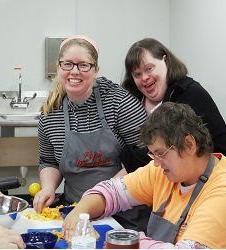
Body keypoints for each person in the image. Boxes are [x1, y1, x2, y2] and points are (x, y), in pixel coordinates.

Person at [64, 103, 226, 248]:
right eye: (153, 155)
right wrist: (80, 212)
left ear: (189, 144)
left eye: (161, 154)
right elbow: (112, 191)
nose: (156, 163)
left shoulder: (220, 190)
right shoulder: (163, 172)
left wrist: (131, 241)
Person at [33, 35, 150, 230]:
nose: (74, 72)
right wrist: (48, 188)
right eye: (68, 64)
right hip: (73, 210)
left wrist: (106, 194)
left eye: (83, 65)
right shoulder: (50, 115)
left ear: (96, 69)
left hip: (124, 210)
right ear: (58, 67)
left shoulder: (119, 102)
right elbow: (49, 161)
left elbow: (146, 155)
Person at [121, 38, 226, 154]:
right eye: (137, 74)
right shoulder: (130, 102)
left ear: (165, 60)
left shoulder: (191, 93)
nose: (144, 78)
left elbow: (218, 145)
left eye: (149, 69)